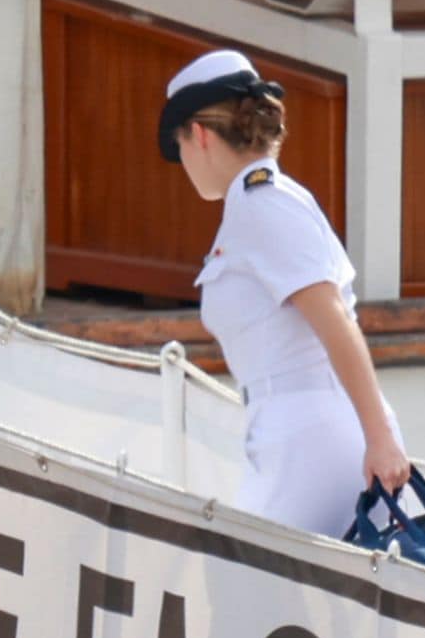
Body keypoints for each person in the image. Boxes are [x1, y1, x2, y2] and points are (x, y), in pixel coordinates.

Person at [159, 49, 411, 536]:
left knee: (244, 586)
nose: (184, 161)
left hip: (310, 436)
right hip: (295, 432)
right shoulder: (258, 203)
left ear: (202, 136)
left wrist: (379, 438)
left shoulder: (261, 205)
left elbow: (334, 319)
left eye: (181, 145)